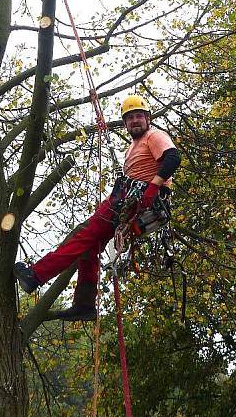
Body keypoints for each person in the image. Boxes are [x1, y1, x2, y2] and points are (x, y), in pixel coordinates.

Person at [14, 95, 181, 320]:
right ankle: (85, 304)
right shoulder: (135, 145)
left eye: (139, 116)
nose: (135, 121)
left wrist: (153, 187)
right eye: (130, 118)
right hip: (130, 201)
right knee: (90, 248)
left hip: (133, 202)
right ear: (125, 123)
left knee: (82, 237)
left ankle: (35, 275)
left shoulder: (154, 135)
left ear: (148, 118)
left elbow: (172, 158)